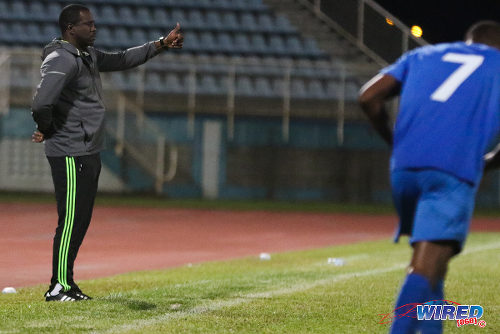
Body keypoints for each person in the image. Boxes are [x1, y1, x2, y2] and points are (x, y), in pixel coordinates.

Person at [31, 4, 183, 302]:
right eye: (88, 24)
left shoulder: (85, 55)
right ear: (70, 29)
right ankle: (59, 286)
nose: (94, 28)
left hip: (87, 149)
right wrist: (47, 129)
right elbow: (40, 103)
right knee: (72, 219)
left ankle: (66, 283)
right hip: (71, 152)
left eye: (94, 23)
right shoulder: (61, 57)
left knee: (81, 219)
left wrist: (160, 45)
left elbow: (122, 58)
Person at [359, 21, 500, 333]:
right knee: (424, 266)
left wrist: (394, 142)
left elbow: (369, 97)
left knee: (434, 264)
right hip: (451, 172)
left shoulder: (422, 55)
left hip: (404, 170)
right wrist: (488, 162)